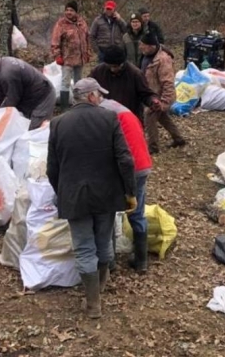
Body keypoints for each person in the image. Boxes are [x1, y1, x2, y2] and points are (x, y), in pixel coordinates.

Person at [47, 78, 136, 319]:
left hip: (74, 196)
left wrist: (62, 191)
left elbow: (52, 168)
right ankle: (101, 285)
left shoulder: (57, 123)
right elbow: (125, 159)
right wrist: (130, 191)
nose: (101, 99)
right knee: (104, 242)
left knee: (84, 248)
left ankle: (93, 303)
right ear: (91, 96)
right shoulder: (108, 119)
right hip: (106, 194)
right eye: (99, 95)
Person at [99, 98, 151, 273]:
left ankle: (110, 261)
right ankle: (141, 261)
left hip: (127, 166)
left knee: (109, 211)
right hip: (143, 164)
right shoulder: (125, 111)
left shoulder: (105, 116)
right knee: (138, 213)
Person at [0, 54, 56, 129]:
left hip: (44, 96)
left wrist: (1, 115)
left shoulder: (7, 74)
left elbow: (13, 99)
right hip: (31, 95)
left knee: (36, 129)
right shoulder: (2, 63)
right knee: (23, 122)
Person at [88, 45, 160, 123]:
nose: (112, 69)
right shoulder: (98, 71)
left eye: (115, 66)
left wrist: (153, 101)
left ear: (122, 63)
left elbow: (145, 94)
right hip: (105, 119)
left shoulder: (135, 74)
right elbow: (87, 87)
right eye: (110, 66)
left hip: (129, 117)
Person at [139, 32, 185, 154]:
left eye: (143, 45)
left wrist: (163, 102)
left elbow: (168, 83)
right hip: (151, 94)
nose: (140, 47)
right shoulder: (146, 55)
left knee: (149, 117)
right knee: (163, 118)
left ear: (152, 46)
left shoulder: (163, 60)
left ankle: (153, 147)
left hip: (160, 97)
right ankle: (179, 139)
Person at [50, 1, 90, 110]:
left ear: (76, 12)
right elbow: (55, 41)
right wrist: (57, 55)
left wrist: (87, 52)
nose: (69, 12)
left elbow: (87, 38)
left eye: (71, 10)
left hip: (80, 57)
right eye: (67, 10)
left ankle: (78, 105)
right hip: (66, 58)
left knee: (79, 81)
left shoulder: (82, 23)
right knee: (65, 82)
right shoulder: (61, 24)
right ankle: (64, 108)